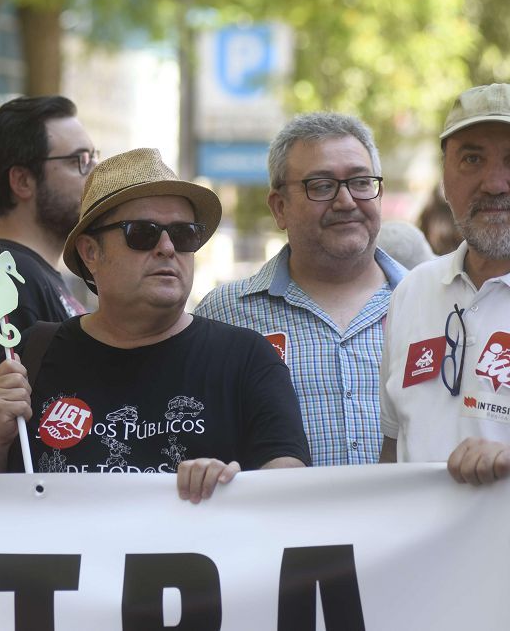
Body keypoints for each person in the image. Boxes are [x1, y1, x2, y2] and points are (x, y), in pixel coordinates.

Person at [0, 148, 310, 503]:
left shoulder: (246, 357)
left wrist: (234, 485)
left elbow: (290, 487)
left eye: (184, 234)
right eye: (142, 233)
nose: (168, 247)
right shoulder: (33, 354)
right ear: (90, 253)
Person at [196, 113, 404, 467]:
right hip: (273, 523)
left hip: (416, 523)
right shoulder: (224, 316)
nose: (346, 201)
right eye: (321, 186)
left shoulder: (433, 305)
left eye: (361, 182)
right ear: (280, 208)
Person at [380, 83, 510, 484]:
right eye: (472, 158)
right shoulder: (412, 292)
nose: (494, 183)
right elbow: (393, 444)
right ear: (445, 177)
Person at [0, 96, 91, 436]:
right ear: (22, 181)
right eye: (78, 161)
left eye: (94, 158)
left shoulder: (31, 273)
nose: (94, 174)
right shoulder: (8, 280)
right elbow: (24, 436)